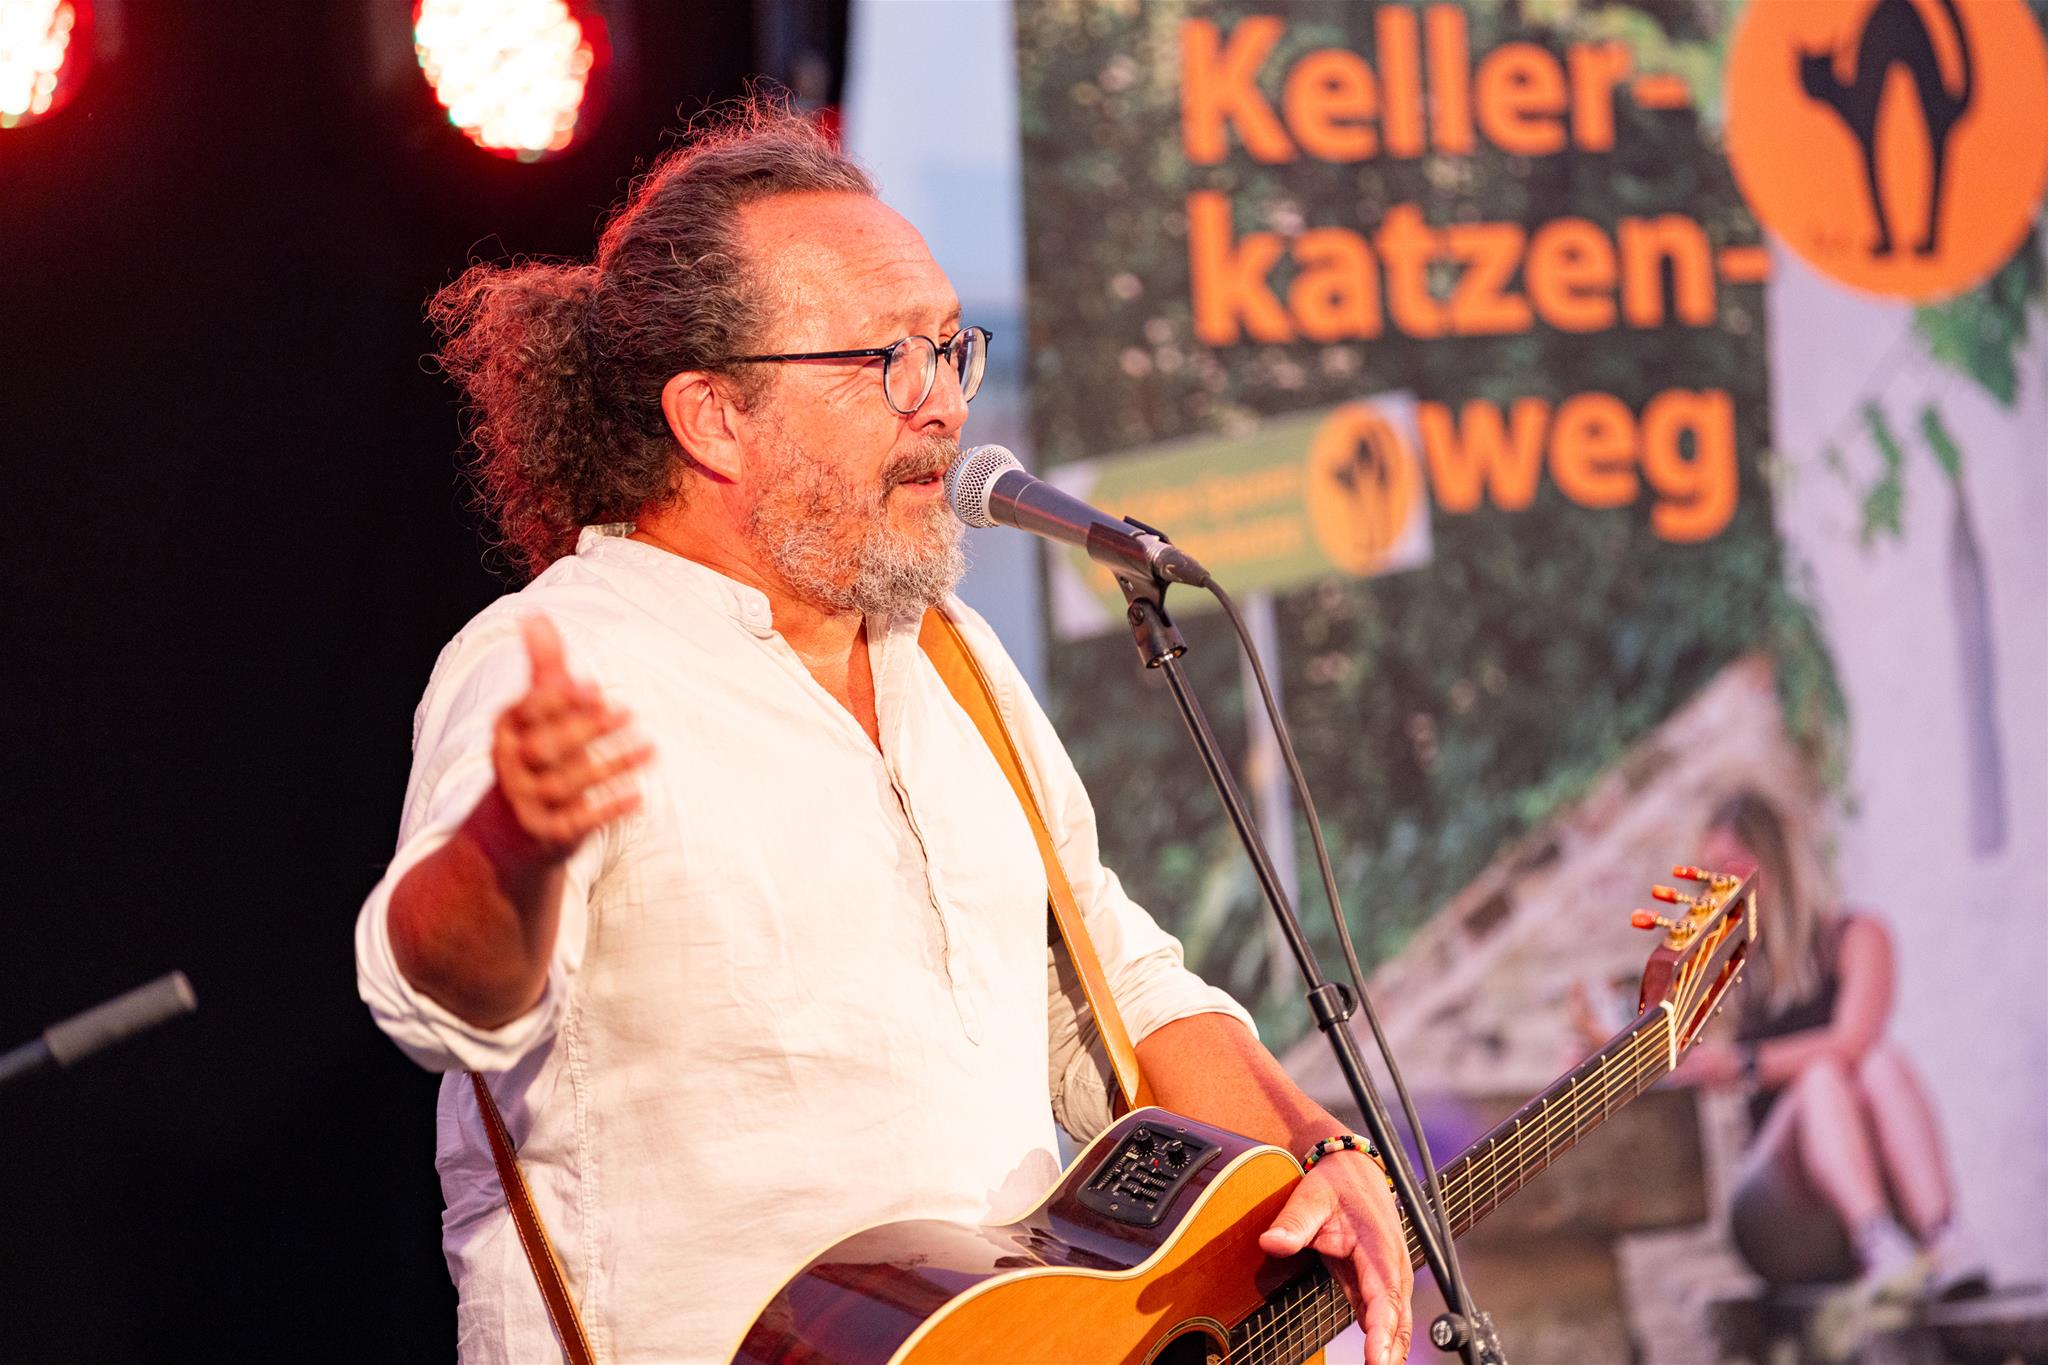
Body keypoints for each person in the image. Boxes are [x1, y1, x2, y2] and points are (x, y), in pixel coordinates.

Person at [353, 104, 1413, 1365]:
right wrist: (508, 851)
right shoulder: (562, 657)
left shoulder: (950, 654)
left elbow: (1104, 987)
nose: (946, 406)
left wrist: (1314, 1149)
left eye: (948, 349)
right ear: (713, 417)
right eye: (887, 359)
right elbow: (442, 1001)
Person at [1676, 791, 1983, 1300]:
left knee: (1879, 1063)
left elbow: (1854, 1040)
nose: (1718, 889)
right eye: (1708, 876)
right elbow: (1665, 1051)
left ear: (1775, 860)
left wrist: (1747, 1064)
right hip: (1780, 1203)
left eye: (1730, 868)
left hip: (1871, 1186)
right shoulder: (1721, 971)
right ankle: (1874, 1238)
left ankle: (1941, 1232)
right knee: (1821, 1075)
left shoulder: (1858, 936)